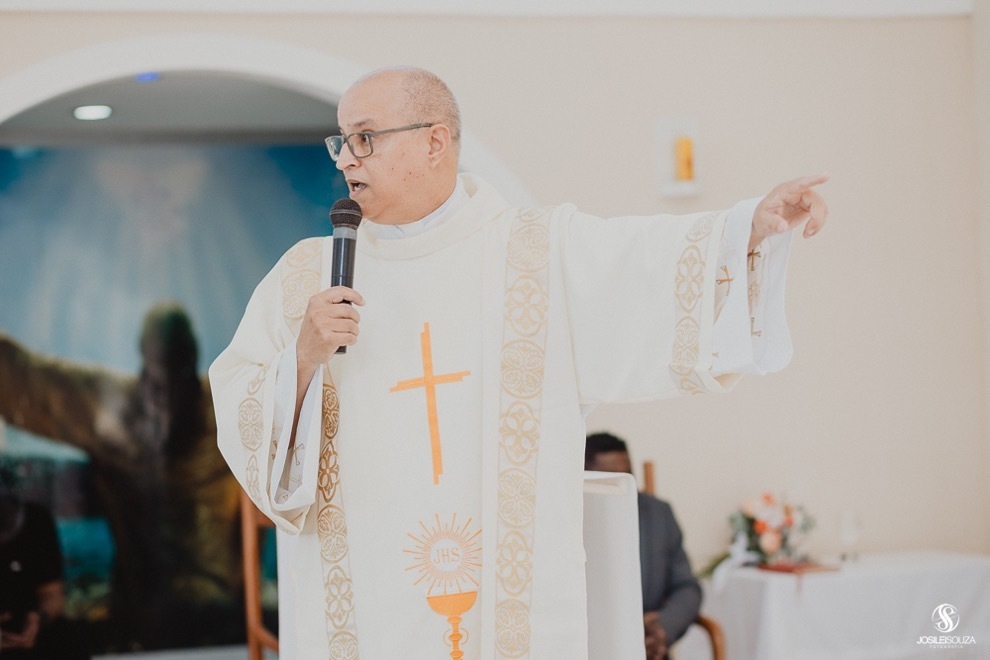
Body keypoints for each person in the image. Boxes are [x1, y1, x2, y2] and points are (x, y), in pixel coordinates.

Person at [209, 65, 828, 658]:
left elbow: (641, 265)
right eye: (340, 141)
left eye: (364, 138)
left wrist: (748, 229)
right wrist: (303, 355)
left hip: (498, 597)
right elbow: (240, 405)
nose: (346, 157)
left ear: (435, 141)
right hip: (366, 595)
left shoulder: (534, 255)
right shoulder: (303, 276)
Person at [0, 303, 243, 651]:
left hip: (220, 629)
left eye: (177, 377)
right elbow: (20, 377)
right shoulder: (116, 413)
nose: (165, 403)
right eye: (158, 384)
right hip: (143, 629)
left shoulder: (226, 410)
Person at [585, 432, 701, 660]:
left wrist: (661, 628)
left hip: (647, 648)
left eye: (627, 477)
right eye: (611, 481)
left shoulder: (660, 514)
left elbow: (687, 587)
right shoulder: (567, 522)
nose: (623, 489)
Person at [0, 482, 90, 659]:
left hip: (28, 628)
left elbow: (52, 593)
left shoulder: (35, 521)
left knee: (70, 638)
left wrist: (38, 621)